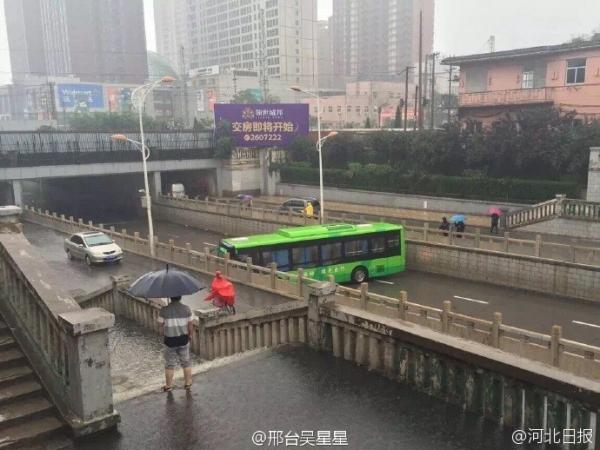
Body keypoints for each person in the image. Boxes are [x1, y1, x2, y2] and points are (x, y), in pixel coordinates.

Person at [157, 296, 194, 392]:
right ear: (180, 297)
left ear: (170, 297)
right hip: (183, 339)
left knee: (169, 364)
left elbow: (160, 325)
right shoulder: (186, 308)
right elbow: (190, 325)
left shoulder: (164, 310)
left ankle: (168, 386)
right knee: (186, 361)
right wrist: (190, 335)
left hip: (170, 340)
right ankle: (188, 383)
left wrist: (164, 332)